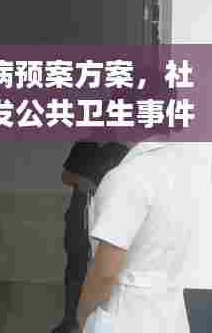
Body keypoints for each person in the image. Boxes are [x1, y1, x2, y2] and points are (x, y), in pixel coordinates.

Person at [76, 140, 193, 333]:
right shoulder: (185, 176)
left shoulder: (128, 176)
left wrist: (82, 316)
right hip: (171, 315)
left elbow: (105, 273)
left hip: (128, 314)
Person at [52, 141, 129, 333]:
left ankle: (101, 321)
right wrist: (81, 181)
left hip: (109, 213)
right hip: (79, 215)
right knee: (76, 267)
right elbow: (65, 176)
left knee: (106, 267)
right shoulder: (83, 146)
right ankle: (70, 320)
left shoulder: (119, 150)